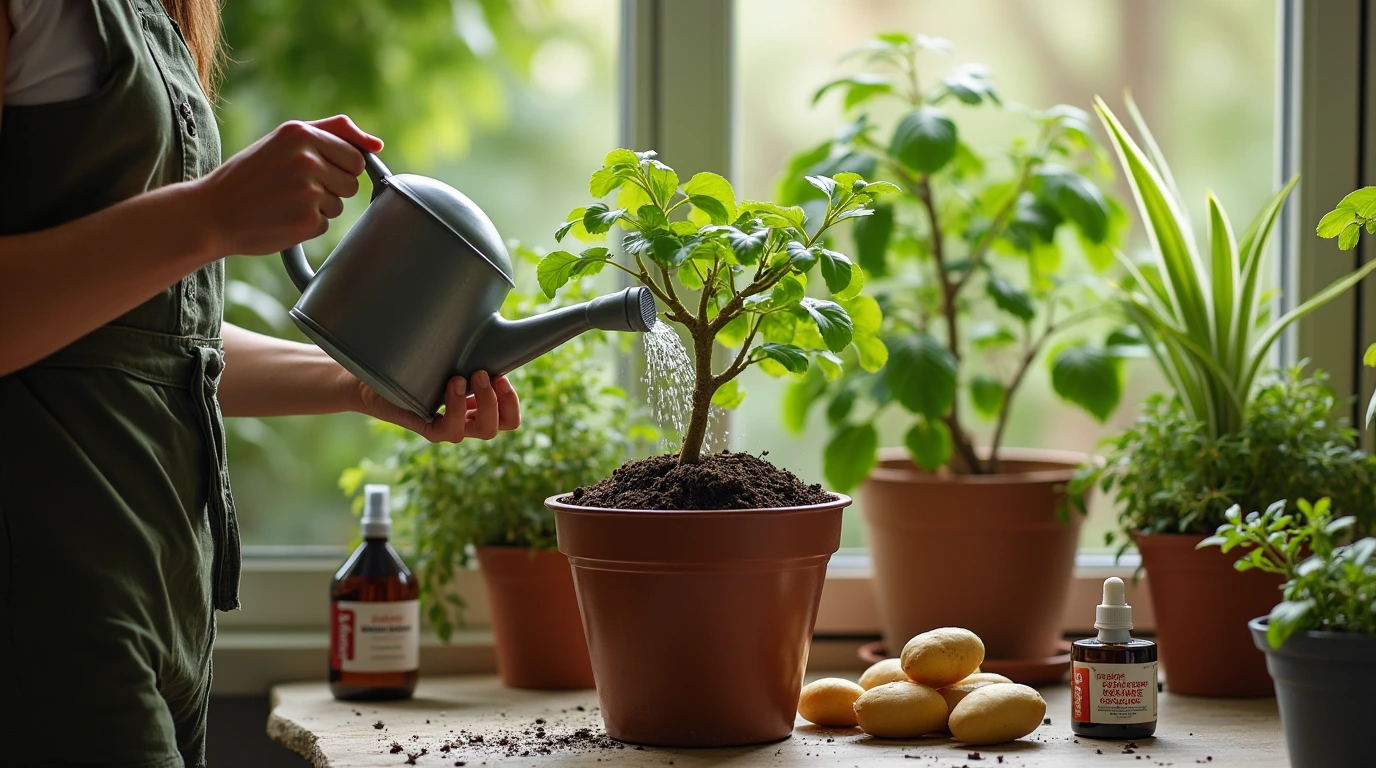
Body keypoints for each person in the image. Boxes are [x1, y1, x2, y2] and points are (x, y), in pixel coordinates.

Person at [0, 1, 521, 765]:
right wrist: (213, 215)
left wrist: (360, 383)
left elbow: (151, 348)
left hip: (163, 602)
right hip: (46, 595)